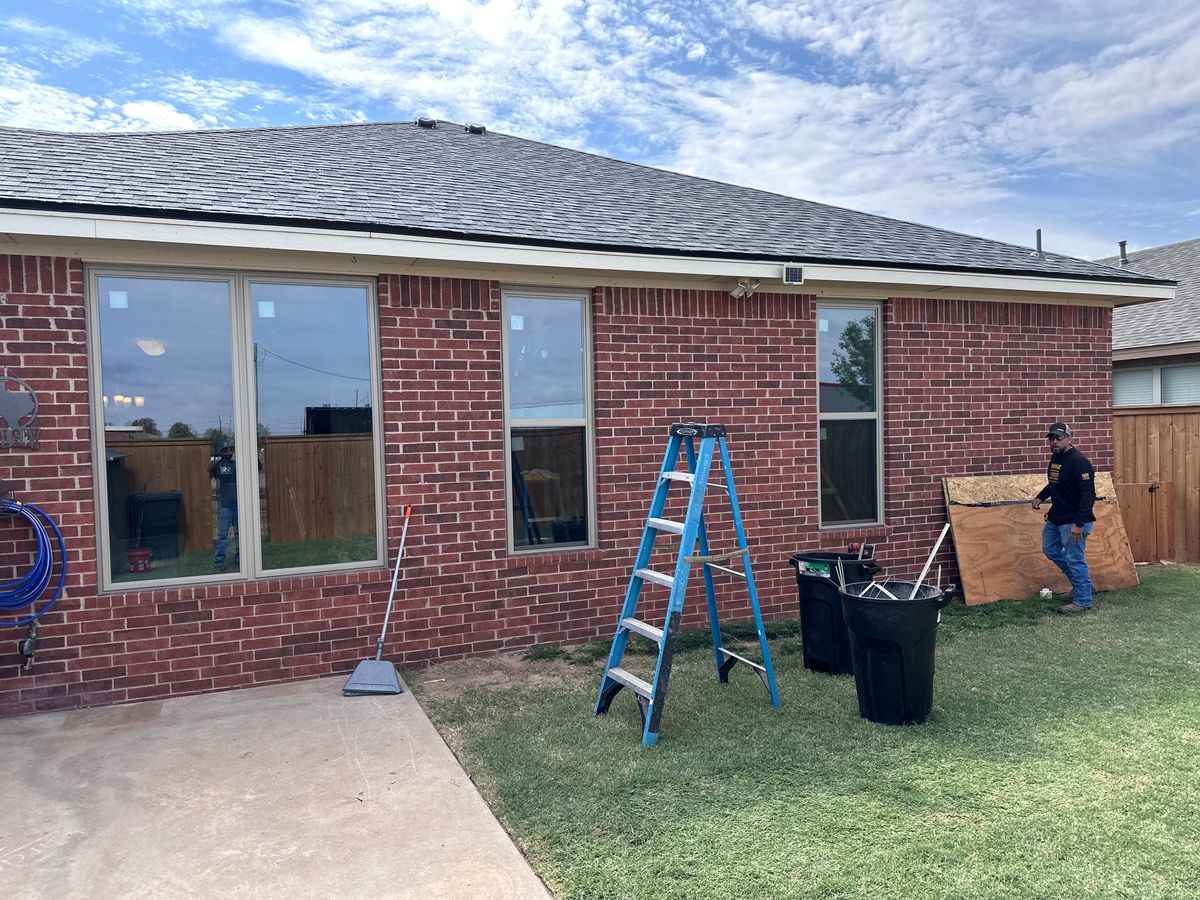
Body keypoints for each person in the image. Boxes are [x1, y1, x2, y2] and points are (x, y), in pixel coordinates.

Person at [1031, 422, 1096, 614]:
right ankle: (1079, 584)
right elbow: (1054, 483)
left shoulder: (1079, 462)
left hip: (1073, 521)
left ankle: (1083, 600)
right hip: (1056, 517)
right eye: (1051, 438)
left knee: (1075, 559)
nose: (1054, 442)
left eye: (1058, 438)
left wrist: (1079, 523)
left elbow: (1088, 495)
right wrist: (1040, 497)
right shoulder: (1056, 458)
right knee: (1050, 549)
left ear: (1069, 438)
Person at [209, 442, 239, 572]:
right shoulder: (218, 465)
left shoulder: (236, 464)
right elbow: (209, 468)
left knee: (240, 534)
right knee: (223, 535)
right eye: (226, 449)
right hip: (225, 506)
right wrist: (220, 456)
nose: (229, 451)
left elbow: (258, 466)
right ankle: (219, 561)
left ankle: (240, 558)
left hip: (238, 506)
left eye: (230, 449)